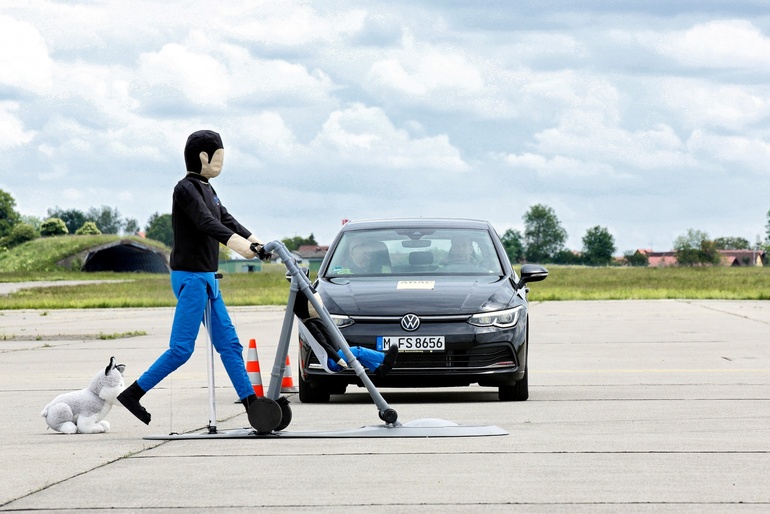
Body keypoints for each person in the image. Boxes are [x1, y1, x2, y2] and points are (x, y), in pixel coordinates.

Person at [118, 129, 269, 425]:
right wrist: (240, 246)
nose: (221, 164)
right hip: (191, 278)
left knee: (230, 345)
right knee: (181, 349)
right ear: (203, 157)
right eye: (218, 158)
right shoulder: (185, 188)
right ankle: (133, 393)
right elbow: (205, 221)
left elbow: (226, 219)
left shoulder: (209, 189)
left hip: (208, 278)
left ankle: (253, 405)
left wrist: (256, 241)